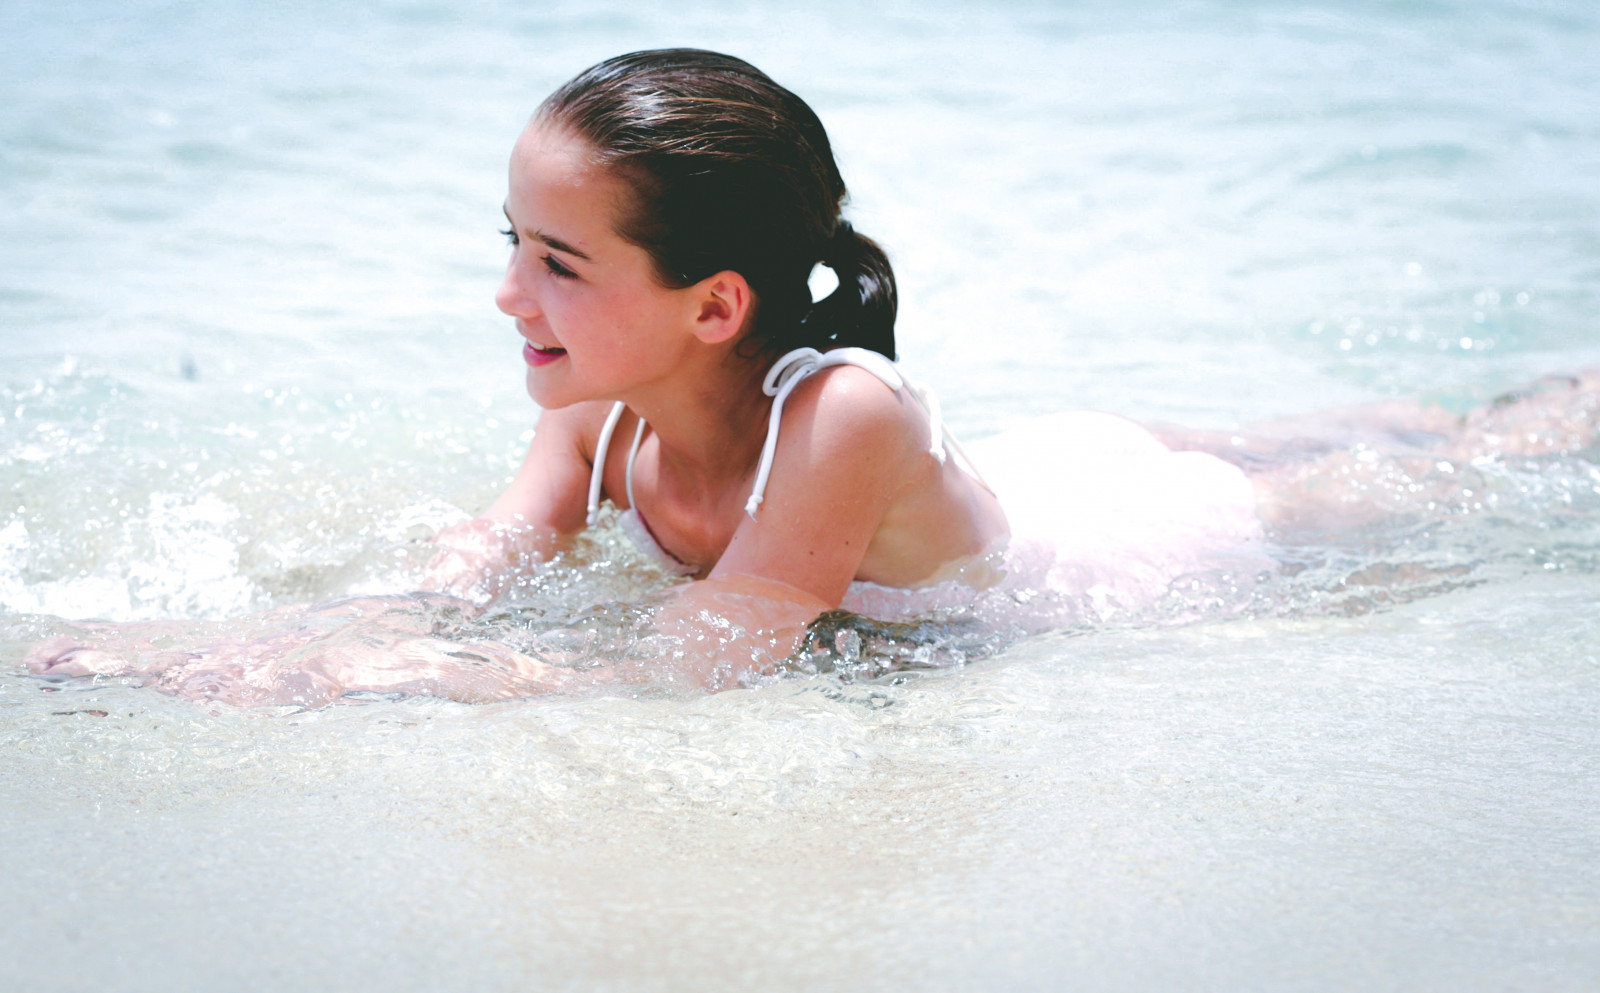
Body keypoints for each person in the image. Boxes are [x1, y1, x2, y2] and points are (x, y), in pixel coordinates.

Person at [23, 49, 1600, 705]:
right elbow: (476, 567)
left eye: (559, 263)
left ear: (714, 306)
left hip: (1146, 538)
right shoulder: (588, 399)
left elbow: (712, 652)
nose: (508, 294)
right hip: (1032, 470)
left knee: (1446, 469)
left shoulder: (843, 412)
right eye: (513, 242)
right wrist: (234, 645)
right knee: (1360, 435)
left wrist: (398, 696)